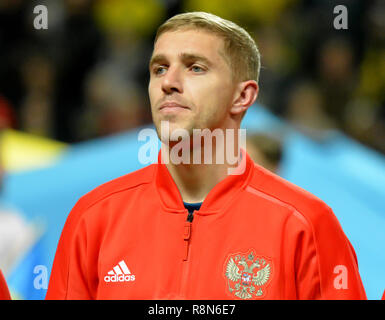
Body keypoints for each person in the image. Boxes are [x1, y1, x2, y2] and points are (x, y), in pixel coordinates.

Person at [46, 12, 366, 300]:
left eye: (195, 67)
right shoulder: (93, 218)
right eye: (159, 68)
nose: (168, 83)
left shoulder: (306, 224)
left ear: (243, 96)